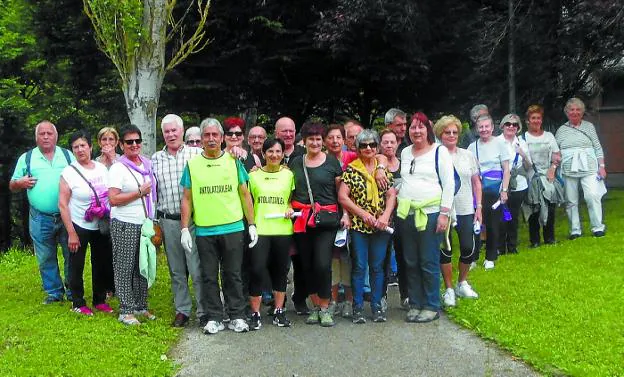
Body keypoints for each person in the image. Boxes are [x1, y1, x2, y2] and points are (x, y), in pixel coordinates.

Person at [180, 118, 257, 335]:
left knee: (233, 274)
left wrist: (251, 224)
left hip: (232, 228)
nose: (211, 139)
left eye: (215, 135)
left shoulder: (233, 162)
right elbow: (187, 198)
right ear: (202, 139)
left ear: (222, 138)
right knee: (209, 275)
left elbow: (245, 193)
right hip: (205, 229)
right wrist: (184, 228)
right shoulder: (193, 165)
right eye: (207, 135)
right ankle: (214, 316)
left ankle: (237, 315)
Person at [397, 112, 454, 323]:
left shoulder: (440, 152)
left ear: (428, 130)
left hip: (430, 214)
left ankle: (431, 304)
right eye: (413, 127)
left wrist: (444, 214)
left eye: (421, 127)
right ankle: (415, 302)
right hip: (407, 213)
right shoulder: (405, 153)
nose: (416, 131)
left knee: (428, 260)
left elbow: (449, 184)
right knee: (410, 260)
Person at [10, 120, 75, 304]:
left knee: (71, 253)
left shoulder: (67, 155)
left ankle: (72, 289)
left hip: (67, 214)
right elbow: (12, 185)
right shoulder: (27, 158)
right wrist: (19, 183)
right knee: (45, 256)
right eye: (42, 134)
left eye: (49, 133)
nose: (46, 137)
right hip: (39, 217)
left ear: (56, 136)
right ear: (36, 137)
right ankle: (54, 292)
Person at [290, 122, 346, 327]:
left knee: (322, 264)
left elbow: (342, 194)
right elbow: (289, 189)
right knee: (307, 265)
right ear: (304, 141)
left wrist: (346, 214)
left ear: (323, 141)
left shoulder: (332, 163)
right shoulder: (296, 163)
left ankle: (325, 306)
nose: (315, 142)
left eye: (318, 139)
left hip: (326, 221)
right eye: (311, 139)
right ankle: (315, 306)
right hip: (302, 220)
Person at [151, 114, 205, 327]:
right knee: (176, 269)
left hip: (193, 221)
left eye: (175, 130)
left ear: (182, 131)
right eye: (167, 131)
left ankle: (203, 310)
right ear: (162, 134)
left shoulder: (197, 154)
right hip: (168, 221)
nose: (171, 134)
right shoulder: (155, 159)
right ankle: (182, 309)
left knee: (196, 267)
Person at [339, 129, 396, 323]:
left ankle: (377, 306)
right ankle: (357, 308)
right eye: (363, 145)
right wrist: (362, 215)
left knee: (378, 267)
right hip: (359, 227)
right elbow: (343, 197)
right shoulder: (352, 169)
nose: (368, 148)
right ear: (357, 148)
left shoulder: (383, 170)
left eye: (372, 144)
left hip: (381, 226)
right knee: (359, 267)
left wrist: (386, 216)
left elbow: (391, 194)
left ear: (377, 146)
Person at [58, 130, 114, 315]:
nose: (80, 149)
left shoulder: (101, 168)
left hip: (100, 224)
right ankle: (78, 302)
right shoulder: (69, 172)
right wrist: (71, 233)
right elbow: (63, 204)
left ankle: (100, 299)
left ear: (90, 147)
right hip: (78, 224)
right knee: (76, 264)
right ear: (72, 150)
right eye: (76, 147)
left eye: (83, 145)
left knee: (101, 262)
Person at [108, 124, 157, 325]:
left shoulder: (146, 164)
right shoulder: (118, 167)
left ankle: (140, 306)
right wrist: (139, 192)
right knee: (124, 267)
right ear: (121, 145)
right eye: (129, 142)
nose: (134, 145)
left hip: (143, 224)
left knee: (142, 265)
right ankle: (126, 310)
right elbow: (113, 199)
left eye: (138, 141)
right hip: (124, 223)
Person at [433, 116, 481, 307]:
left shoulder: (467, 155)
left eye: (454, 132)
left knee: (468, 247)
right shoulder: (436, 155)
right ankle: (449, 288)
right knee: (446, 248)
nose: (451, 135)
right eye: (447, 132)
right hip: (444, 209)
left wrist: (479, 207)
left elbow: (476, 182)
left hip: (466, 207)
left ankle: (462, 282)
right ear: (440, 134)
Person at [247, 138, 295, 329]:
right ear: (263, 154)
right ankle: (255, 313)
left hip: (282, 230)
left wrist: (290, 207)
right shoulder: (253, 176)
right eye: (270, 152)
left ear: (283, 154)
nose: (274, 155)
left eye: (278, 152)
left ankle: (279, 311)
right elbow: (248, 201)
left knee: (280, 271)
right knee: (257, 270)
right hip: (260, 229)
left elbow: (292, 199)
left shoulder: (289, 175)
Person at [555, 97, 606, 238]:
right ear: (567, 112)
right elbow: (555, 150)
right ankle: (575, 230)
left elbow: (597, 147)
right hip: (568, 169)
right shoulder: (561, 130)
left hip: (589, 167)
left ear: (582, 112)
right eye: (572, 109)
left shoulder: (589, 127)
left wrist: (602, 166)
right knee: (571, 200)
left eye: (578, 110)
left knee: (592, 196)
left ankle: (597, 227)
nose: (575, 112)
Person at [468, 115, 511, 270]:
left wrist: (504, 190)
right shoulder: (472, 147)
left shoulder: (501, 144)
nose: (484, 129)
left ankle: (491, 256)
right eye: (481, 127)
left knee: (493, 224)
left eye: (487, 126)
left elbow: (506, 170)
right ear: (477, 129)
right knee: (476, 223)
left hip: (496, 189)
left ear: (492, 127)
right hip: (477, 188)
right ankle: (472, 257)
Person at [323, 124, 356, 318]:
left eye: (338, 138)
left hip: (351, 214)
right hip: (329, 215)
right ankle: (334, 299)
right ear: (325, 140)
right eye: (331, 138)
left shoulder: (352, 158)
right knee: (333, 258)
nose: (335, 141)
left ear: (344, 140)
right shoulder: (322, 160)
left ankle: (350, 301)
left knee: (349, 258)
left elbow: (378, 159)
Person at [523, 105, 562, 246]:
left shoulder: (549, 136)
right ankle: (534, 240)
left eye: (538, 118)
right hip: (531, 176)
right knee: (534, 206)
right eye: (533, 118)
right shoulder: (523, 138)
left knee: (550, 204)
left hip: (548, 175)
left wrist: (553, 168)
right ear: (528, 120)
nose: (536, 121)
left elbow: (557, 155)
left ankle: (549, 237)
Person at [497, 114, 532, 255]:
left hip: (518, 184)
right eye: (508, 124)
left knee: (513, 215)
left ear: (518, 127)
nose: (511, 126)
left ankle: (512, 246)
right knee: (500, 216)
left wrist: (523, 154)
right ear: (503, 126)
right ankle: (500, 247)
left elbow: (529, 166)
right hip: (500, 183)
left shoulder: (521, 142)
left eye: (515, 124)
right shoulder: (496, 142)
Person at [379, 129, 407, 304]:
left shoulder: (405, 165)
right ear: (380, 145)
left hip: (403, 217)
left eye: (392, 142)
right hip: (382, 217)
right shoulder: (376, 165)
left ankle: (406, 295)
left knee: (404, 256)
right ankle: (381, 296)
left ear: (397, 144)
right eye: (385, 142)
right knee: (382, 258)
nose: (389, 145)